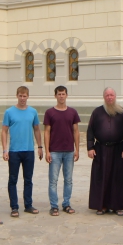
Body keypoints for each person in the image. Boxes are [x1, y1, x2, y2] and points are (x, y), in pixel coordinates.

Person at [87, 88, 123, 216]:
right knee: (101, 178)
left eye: (111, 95)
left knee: (118, 178)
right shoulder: (97, 112)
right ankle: (102, 205)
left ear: (115, 96)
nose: (109, 97)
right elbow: (90, 131)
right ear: (104, 97)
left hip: (118, 150)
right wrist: (90, 147)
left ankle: (117, 206)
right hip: (101, 149)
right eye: (107, 95)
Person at [1, 86, 42, 217]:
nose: (22, 98)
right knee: (13, 179)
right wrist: (4, 149)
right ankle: (14, 206)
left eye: (25, 96)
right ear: (17, 96)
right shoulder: (9, 112)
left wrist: (40, 147)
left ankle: (28, 205)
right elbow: (4, 131)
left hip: (29, 150)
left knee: (28, 179)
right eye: (20, 96)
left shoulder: (33, 112)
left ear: (28, 96)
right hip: (14, 151)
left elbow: (36, 129)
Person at [44, 86, 81, 215]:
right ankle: (54, 205)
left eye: (63, 94)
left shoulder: (72, 112)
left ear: (66, 95)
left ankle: (66, 203)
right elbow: (47, 132)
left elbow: (76, 131)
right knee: (53, 180)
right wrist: (47, 151)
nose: (61, 96)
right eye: (59, 94)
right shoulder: (50, 113)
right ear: (55, 96)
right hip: (55, 151)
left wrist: (77, 149)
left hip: (69, 151)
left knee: (68, 179)